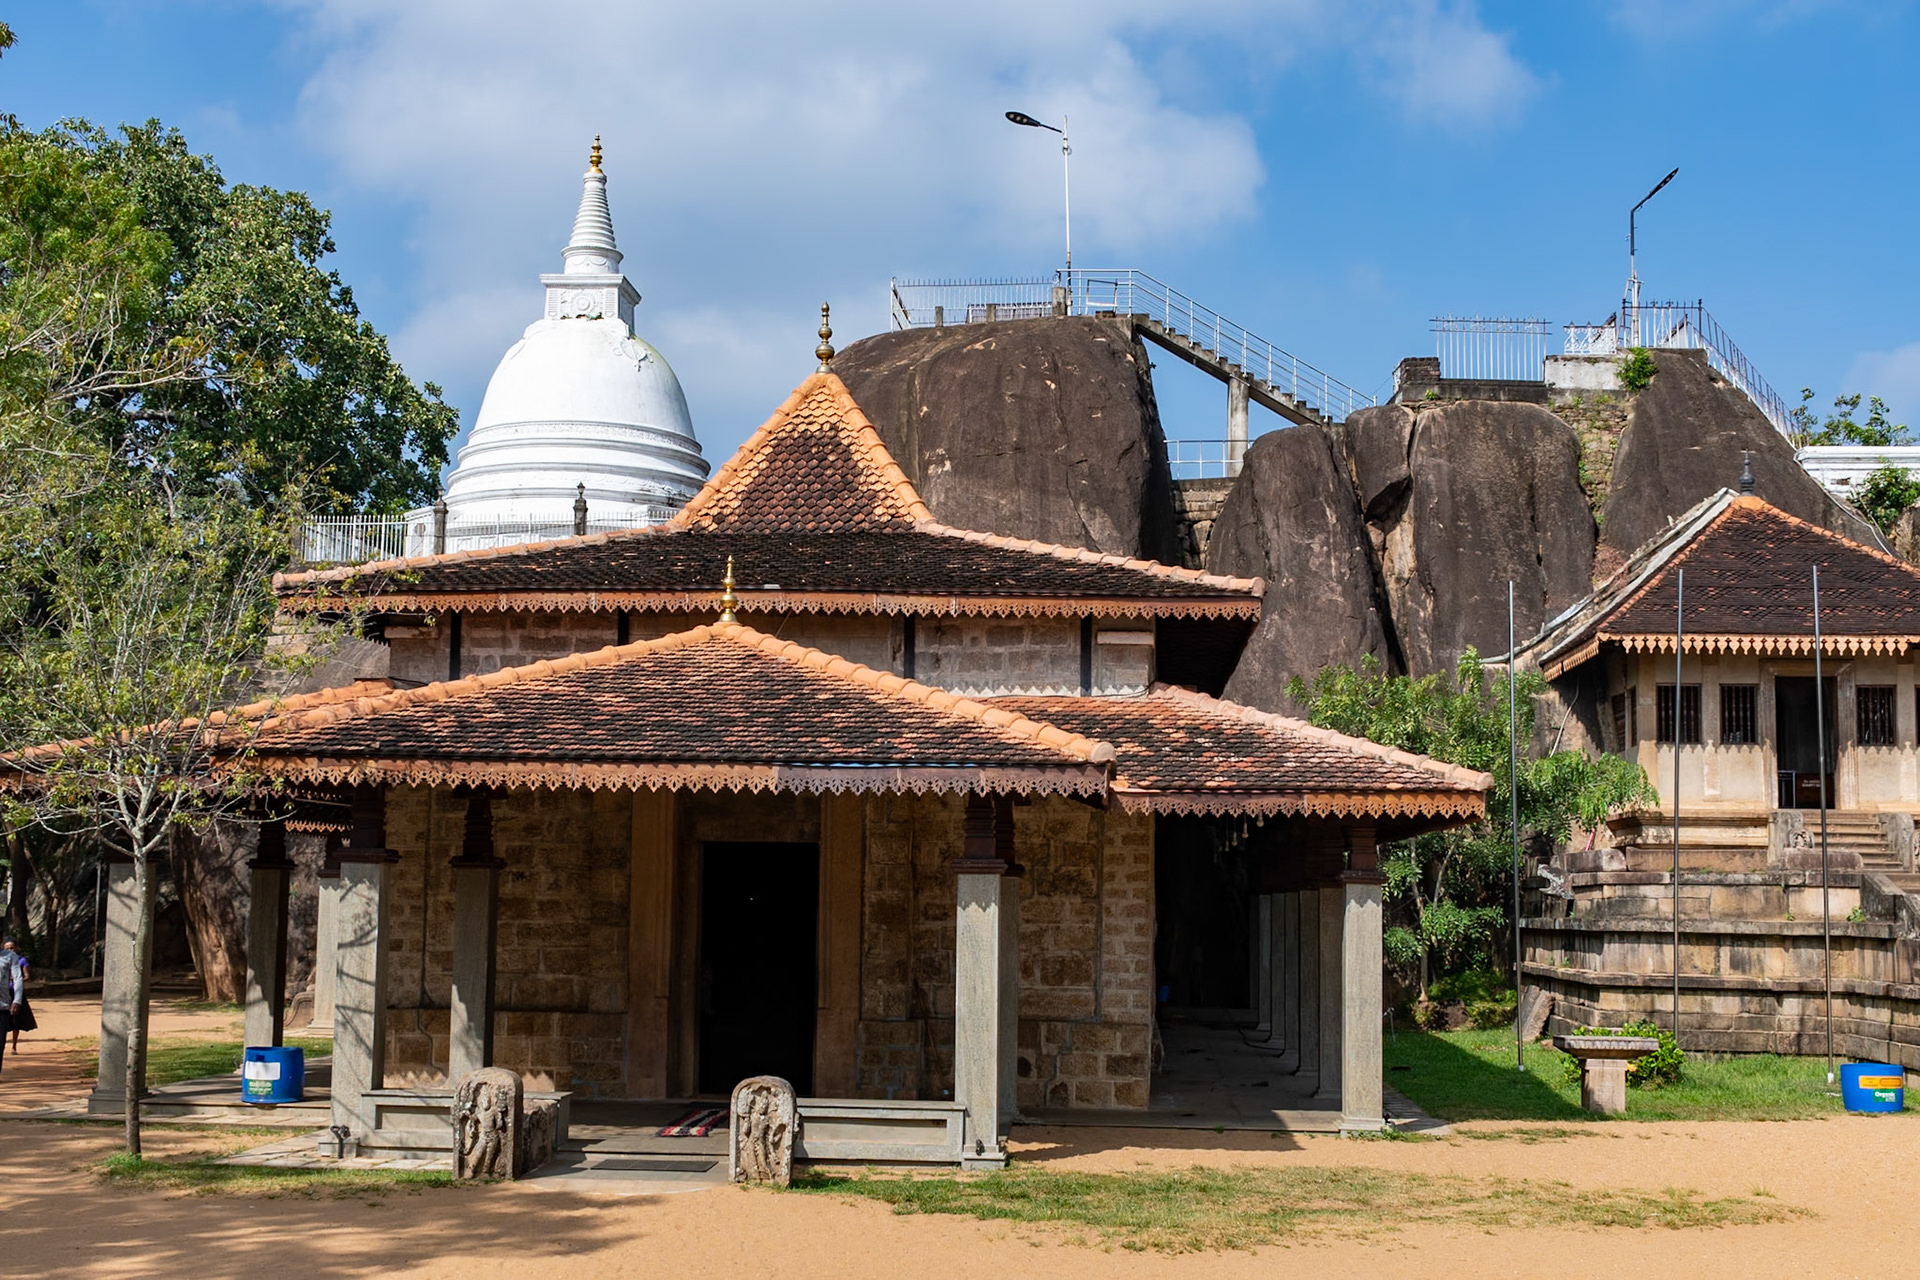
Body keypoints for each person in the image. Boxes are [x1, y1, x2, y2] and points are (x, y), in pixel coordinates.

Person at [1, 939, 32, 1051]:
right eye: (7, 948)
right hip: (4, 993)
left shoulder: (21, 960)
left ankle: (14, 1045)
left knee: (16, 1021)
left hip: (15, 994)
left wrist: (17, 981)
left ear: (17, 948)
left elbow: (26, 976)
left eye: (12, 948)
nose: (10, 950)